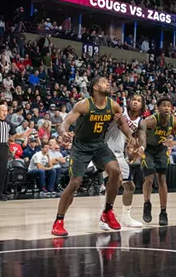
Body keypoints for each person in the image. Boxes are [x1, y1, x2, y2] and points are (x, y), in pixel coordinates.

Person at [51, 76, 133, 237]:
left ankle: (108, 212)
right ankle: (59, 221)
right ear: (95, 88)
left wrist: (131, 138)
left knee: (116, 172)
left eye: (108, 82)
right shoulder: (83, 105)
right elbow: (64, 123)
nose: (108, 83)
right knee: (75, 182)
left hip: (100, 145)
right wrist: (63, 133)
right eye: (103, 82)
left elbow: (122, 123)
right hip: (81, 146)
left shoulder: (113, 105)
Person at [137, 97, 176, 226]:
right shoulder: (151, 121)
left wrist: (173, 143)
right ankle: (147, 203)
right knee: (149, 179)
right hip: (148, 149)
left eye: (169, 105)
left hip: (161, 150)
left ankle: (163, 212)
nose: (167, 108)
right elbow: (140, 131)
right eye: (163, 105)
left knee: (162, 179)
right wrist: (141, 146)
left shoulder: (174, 121)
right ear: (157, 108)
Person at [102, 93, 144, 228]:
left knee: (129, 186)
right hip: (106, 149)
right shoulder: (119, 111)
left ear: (142, 105)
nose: (135, 102)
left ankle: (125, 217)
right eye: (134, 99)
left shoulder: (140, 121)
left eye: (139, 100)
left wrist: (138, 148)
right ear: (129, 101)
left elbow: (140, 138)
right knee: (116, 181)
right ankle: (105, 215)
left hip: (120, 153)